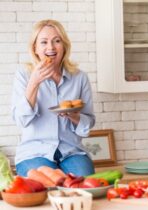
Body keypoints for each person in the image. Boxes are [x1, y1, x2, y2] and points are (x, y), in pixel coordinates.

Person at [12, 19, 95, 177]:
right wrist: (34, 82)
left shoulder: (79, 77)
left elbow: (89, 122)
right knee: (46, 184)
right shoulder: (24, 75)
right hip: (34, 152)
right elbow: (21, 121)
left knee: (84, 184)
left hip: (72, 151)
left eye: (57, 41)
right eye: (43, 42)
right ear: (35, 48)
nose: (50, 47)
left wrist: (74, 116)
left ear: (64, 46)